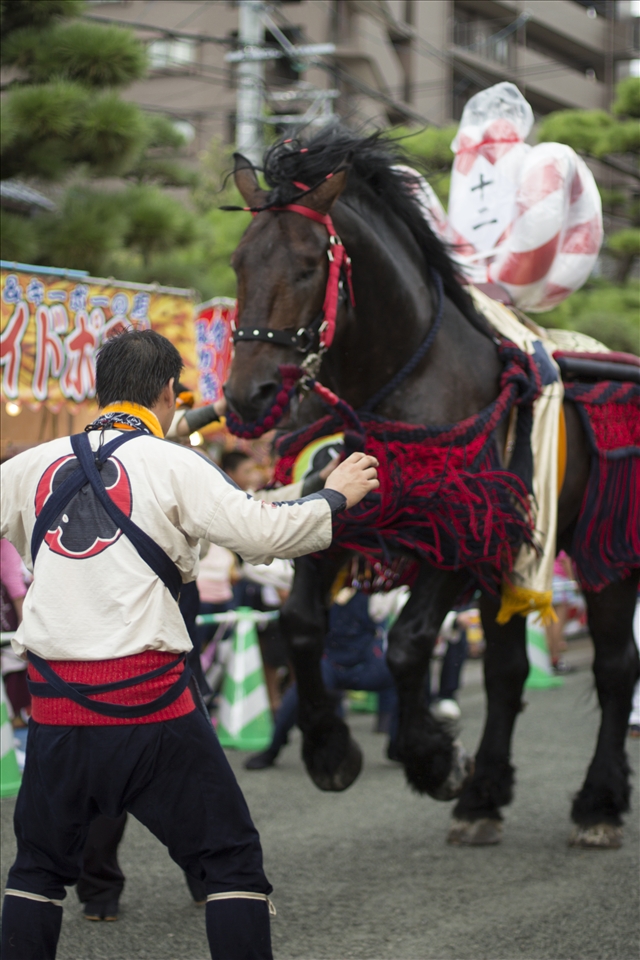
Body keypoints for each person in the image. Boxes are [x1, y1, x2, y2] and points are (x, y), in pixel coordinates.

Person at [0, 328, 379, 960]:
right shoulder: (177, 465)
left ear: (102, 390)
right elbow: (260, 535)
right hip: (153, 713)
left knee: (37, 870)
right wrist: (335, 496)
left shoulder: (27, 467)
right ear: (167, 396)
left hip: (58, 714)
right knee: (228, 861)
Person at [244, 587, 399, 770]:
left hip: (364, 663)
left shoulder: (376, 588)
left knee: (403, 680)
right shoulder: (321, 581)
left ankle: (396, 744)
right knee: (295, 696)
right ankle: (273, 749)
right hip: (329, 663)